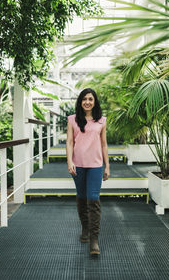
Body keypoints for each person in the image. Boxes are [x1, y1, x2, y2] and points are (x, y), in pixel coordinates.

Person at [66, 88, 110, 255]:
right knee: (82, 198)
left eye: (90, 99)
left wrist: (107, 166)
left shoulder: (102, 121)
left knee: (93, 199)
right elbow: (69, 142)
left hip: (96, 165)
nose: (87, 102)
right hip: (78, 165)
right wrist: (70, 161)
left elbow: (104, 144)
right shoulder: (72, 120)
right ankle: (85, 227)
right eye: (84, 99)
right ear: (80, 101)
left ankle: (94, 239)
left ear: (94, 101)